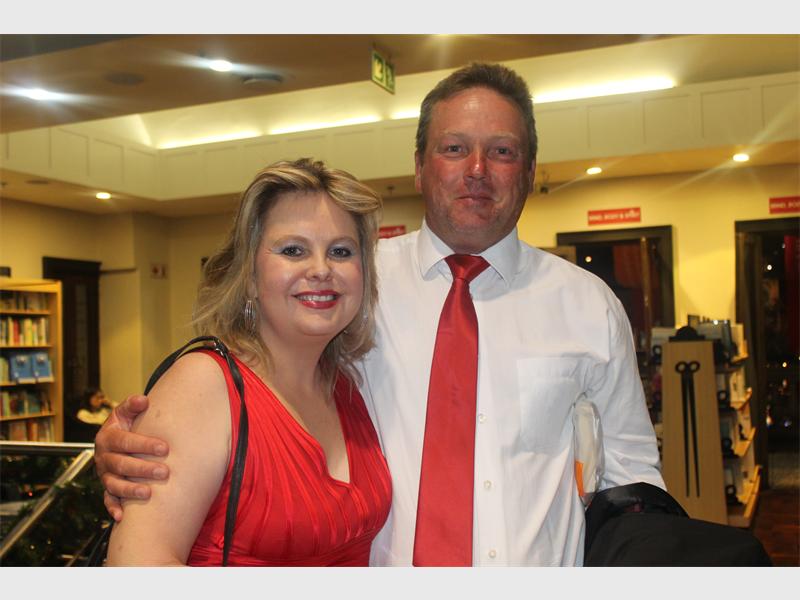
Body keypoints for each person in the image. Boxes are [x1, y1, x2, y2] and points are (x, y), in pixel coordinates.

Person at [95, 63, 664, 566]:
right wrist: (137, 445)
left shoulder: (588, 305)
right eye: (454, 148)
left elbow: (634, 479)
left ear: (531, 169)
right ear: (419, 166)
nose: (477, 168)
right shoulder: (356, 285)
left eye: (502, 151)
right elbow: (241, 402)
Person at [104, 158, 391, 566]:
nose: (321, 269)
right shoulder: (203, 385)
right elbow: (136, 568)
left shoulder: (349, 385)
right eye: (293, 250)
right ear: (250, 277)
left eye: (340, 251)